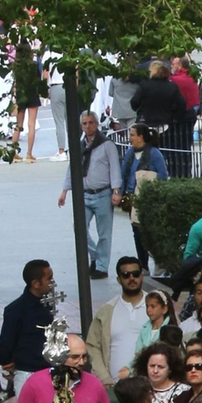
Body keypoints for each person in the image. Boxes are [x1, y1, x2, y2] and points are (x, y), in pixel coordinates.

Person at [59, 112, 124, 279]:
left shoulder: (106, 144)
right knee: (79, 229)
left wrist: (116, 191)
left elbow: (115, 168)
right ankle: (96, 255)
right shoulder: (79, 145)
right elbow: (71, 168)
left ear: (96, 124)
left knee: (104, 233)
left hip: (102, 193)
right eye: (85, 123)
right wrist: (65, 190)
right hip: (84, 194)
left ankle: (101, 267)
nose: (88, 126)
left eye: (91, 123)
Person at [86, 253, 151, 388]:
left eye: (136, 274)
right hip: (115, 388)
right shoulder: (106, 311)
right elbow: (93, 347)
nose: (131, 278)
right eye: (126, 275)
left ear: (142, 276)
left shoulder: (157, 307)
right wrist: (104, 379)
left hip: (151, 387)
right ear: (119, 279)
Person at [0, 259, 56, 390]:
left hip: (49, 370)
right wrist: (7, 363)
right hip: (27, 373)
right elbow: (6, 342)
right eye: (49, 279)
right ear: (36, 283)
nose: (53, 282)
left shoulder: (47, 303)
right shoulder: (16, 310)